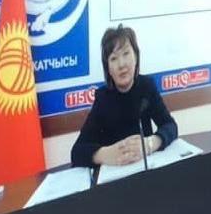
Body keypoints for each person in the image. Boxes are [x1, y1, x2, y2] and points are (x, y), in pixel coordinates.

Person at [71, 25, 178, 167]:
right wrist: (105, 154)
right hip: (116, 173)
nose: (121, 64)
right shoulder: (103, 98)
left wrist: (150, 144)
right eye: (114, 58)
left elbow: (170, 126)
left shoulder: (146, 86)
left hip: (144, 169)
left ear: (136, 57)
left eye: (126, 54)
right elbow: (77, 152)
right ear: (108, 69)